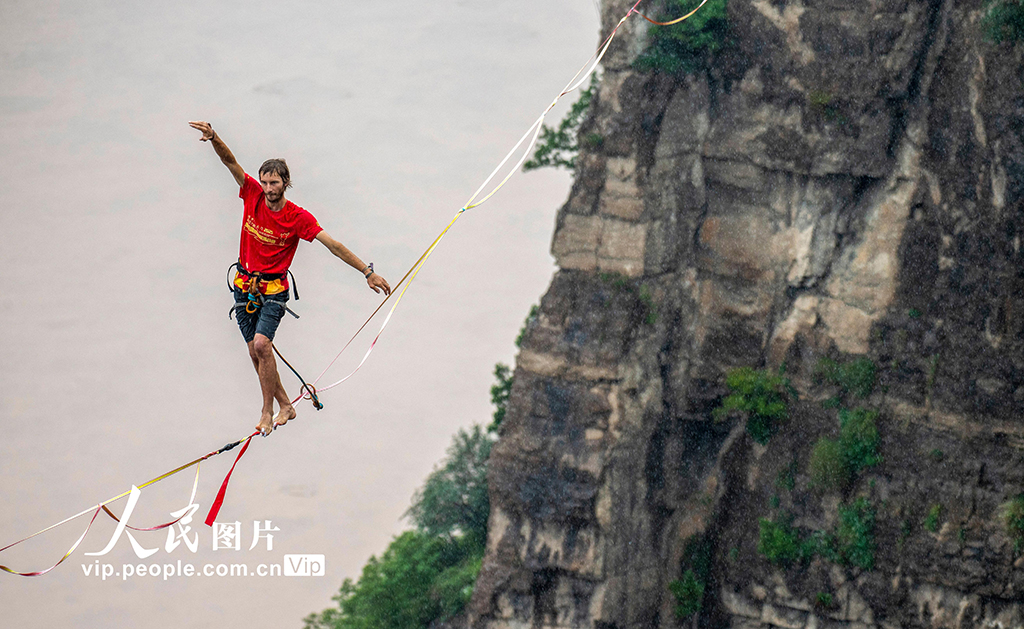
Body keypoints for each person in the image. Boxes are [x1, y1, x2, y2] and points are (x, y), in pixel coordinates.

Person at [189, 120, 391, 436]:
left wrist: (367, 272)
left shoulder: (297, 217)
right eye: (265, 183)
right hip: (244, 289)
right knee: (255, 354)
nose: (268, 189)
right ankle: (285, 404)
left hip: (273, 292)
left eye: (274, 183)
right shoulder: (251, 194)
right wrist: (214, 138)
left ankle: (267, 410)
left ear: (286, 183)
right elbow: (230, 162)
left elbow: (333, 246)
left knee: (262, 344)